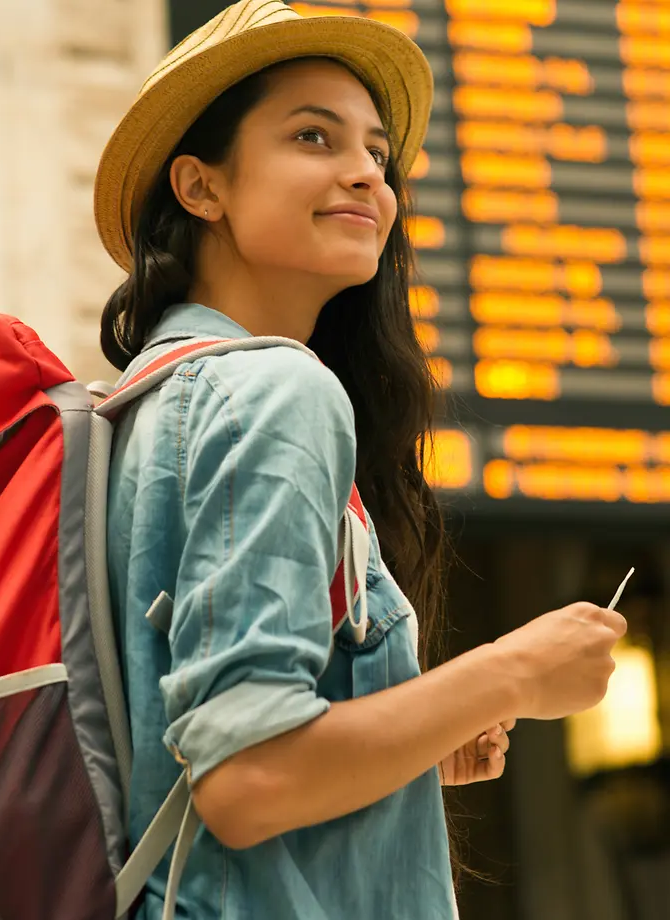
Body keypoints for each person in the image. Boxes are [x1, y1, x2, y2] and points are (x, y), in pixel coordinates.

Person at [95, 2, 627, 918]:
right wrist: (510, 673)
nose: (365, 178)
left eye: (378, 156)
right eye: (313, 136)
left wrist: (416, 731)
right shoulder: (277, 392)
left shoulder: (141, 405)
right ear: (200, 187)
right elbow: (248, 780)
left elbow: (196, 763)